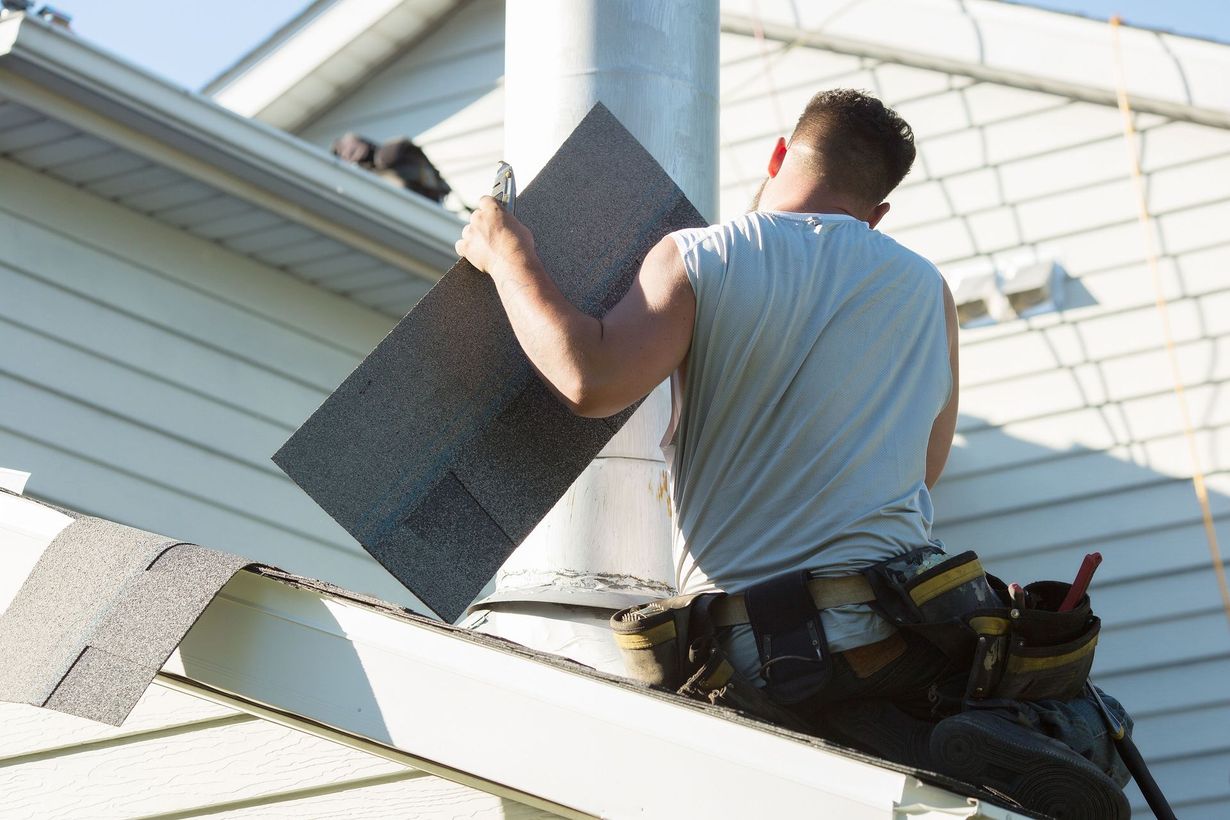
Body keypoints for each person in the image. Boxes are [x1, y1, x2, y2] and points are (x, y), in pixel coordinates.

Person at [457, 89, 1131, 820]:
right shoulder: (925, 288)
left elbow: (590, 380)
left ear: (781, 153)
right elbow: (922, 472)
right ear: (878, 215)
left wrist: (505, 249)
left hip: (766, 652)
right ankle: (983, 738)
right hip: (905, 633)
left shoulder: (703, 252)